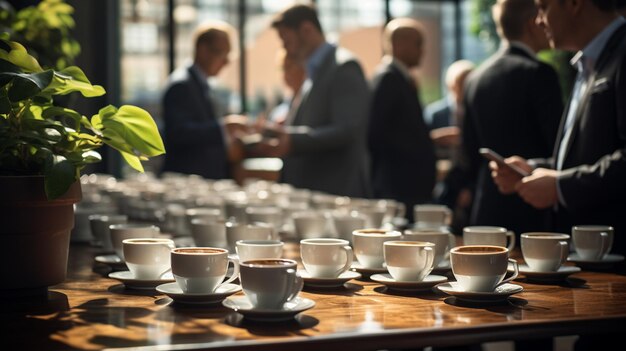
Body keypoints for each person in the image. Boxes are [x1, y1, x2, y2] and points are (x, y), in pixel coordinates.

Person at [491, 0, 626, 261]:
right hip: (591, 259)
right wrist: (533, 169)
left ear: (574, 4)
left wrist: (561, 187)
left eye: (543, 7)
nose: (539, 20)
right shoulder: (587, 63)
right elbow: (586, 156)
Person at [460, 0, 564, 236]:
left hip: (486, 207)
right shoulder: (540, 74)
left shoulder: (475, 78)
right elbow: (560, 146)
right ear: (531, 24)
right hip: (534, 210)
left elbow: (468, 153)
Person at [251, 4, 371, 198]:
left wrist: (293, 141)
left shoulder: (344, 67)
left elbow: (347, 129)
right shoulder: (314, 70)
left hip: (334, 192)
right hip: (317, 190)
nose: (285, 49)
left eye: (287, 40)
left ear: (307, 30)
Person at [367, 18, 437, 224]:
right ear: (399, 45)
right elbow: (375, 133)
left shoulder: (398, 78)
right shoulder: (388, 78)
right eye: (418, 44)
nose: (422, 51)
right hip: (398, 188)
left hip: (404, 187)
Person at [160, 21, 245, 179]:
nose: (226, 62)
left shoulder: (198, 83)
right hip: (186, 181)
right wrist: (223, 128)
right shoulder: (181, 84)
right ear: (203, 50)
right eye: (223, 54)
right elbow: (178, 132)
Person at [424, 59, 476, 158]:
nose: (464, 88)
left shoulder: (477, 112)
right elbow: (422, 145)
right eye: (461, 83)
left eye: (468, 83)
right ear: (450, 84)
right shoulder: (434, 114)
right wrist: (437, 138)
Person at [268, 49, 306, 126]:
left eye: (290, 67)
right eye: (284, 68)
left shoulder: (310, 102)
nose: (286, 74)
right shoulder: (280, 110)